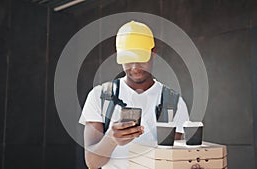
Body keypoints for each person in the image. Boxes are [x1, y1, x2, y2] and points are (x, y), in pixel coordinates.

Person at [79, 21, 189, 169]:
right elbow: (92, 163)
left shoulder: (173, 103)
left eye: (140, 58)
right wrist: (112, 138)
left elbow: (177, 162)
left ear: (153, 52)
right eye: (128, 59)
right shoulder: (100, 96)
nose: (135, 68)